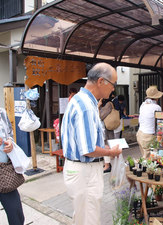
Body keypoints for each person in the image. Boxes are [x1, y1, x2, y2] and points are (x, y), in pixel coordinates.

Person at [61, 63, 122, 225]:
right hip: (85, 173)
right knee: (89, 219)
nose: (113, 89)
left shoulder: (81, 101)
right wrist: (110, 153)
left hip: (80, 169)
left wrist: (104, 149)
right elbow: (87, 149)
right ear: (101, 81)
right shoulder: (87, 107)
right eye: (113, 84)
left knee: (83, 217)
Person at [0, 108, 24, 225]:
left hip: (5, 171)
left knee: (16, 214)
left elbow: (10, 133)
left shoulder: (1, 112)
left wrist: (10, 142)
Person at [136, 86, 163, 158]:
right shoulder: (157, 107)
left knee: (144, 157)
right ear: (156, 97)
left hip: (140, 134)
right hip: (149, 136)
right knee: (150, 160)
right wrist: (160, 136)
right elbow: (160, 124)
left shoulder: (143, 105)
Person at [98, 92, 115, 173]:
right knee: (104, 146)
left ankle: (107, 165)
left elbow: (100, 116)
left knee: (105, 146)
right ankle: (107, 164)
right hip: (104, 129)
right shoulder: (106, 104)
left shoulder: (108, 104)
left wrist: (98, 106)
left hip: (105, 129)